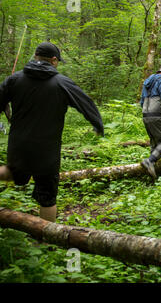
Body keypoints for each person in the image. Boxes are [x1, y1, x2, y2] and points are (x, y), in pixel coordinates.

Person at [0, 42, 104, 222]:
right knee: (47, 197)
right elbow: (85, 103)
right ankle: (46, 241)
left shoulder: (15, 79)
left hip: (19, 146)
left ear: (35, 56)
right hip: (46, 150)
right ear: (54, 60)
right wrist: (97, 124)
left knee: (15, 174)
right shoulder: (62, 83)